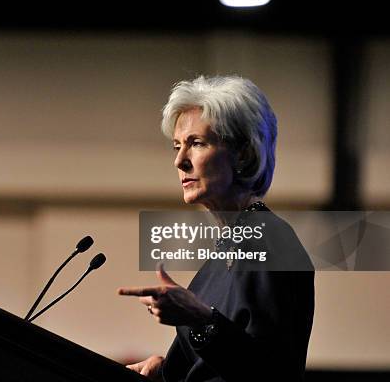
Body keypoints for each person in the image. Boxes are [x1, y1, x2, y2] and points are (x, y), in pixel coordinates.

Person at [117, 75, 314, 382]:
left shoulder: (270, 239)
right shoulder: (225, 253)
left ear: (244, 155)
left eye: (196, 143)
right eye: (177, 146)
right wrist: (168, 369)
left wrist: (199, 317)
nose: (180, 161)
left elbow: (272, 374)